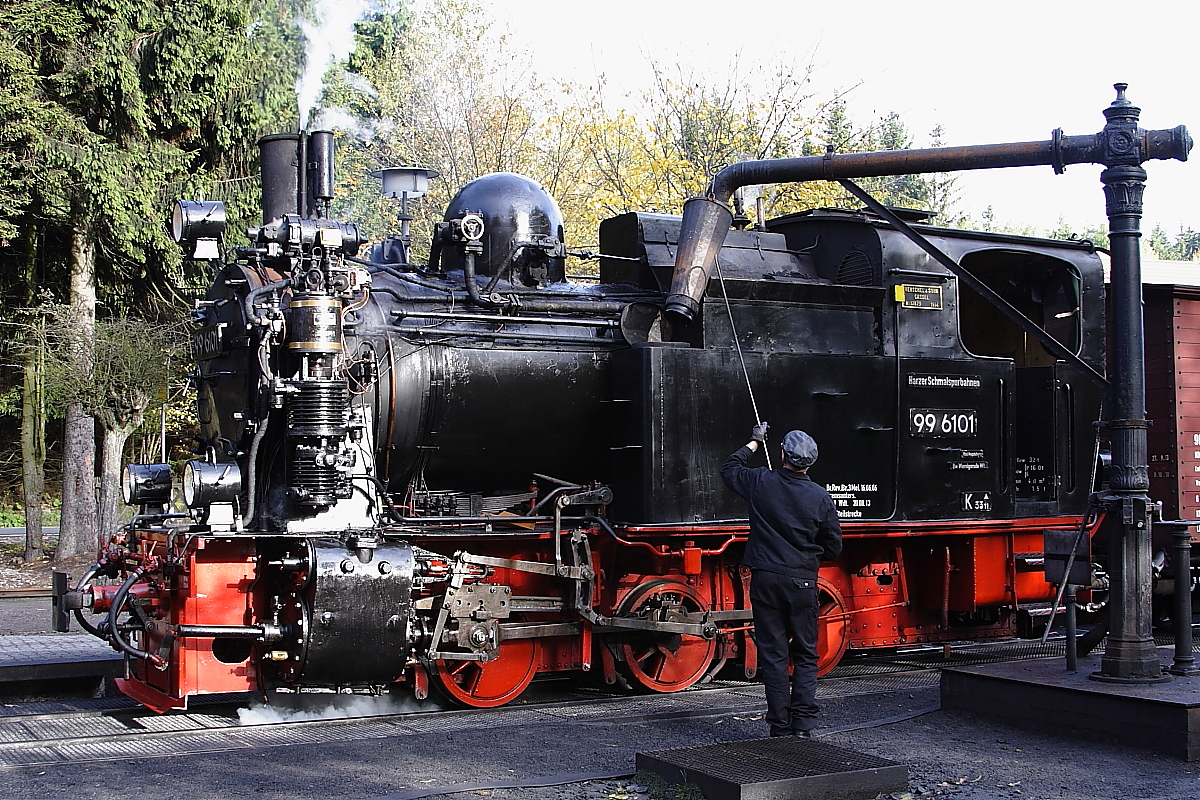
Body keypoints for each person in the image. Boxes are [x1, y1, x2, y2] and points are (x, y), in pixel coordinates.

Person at [721, 423, 843, 738]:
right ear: (810, 463)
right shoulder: (820, 497)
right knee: (805, 653)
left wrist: (753, 442)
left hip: (764, 580)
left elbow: (729, 468)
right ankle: (802, 724)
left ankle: (779, 725)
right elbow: (834, 547)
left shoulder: (761, 481)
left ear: (782, 454)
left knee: (772, 654)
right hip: (801, 583)